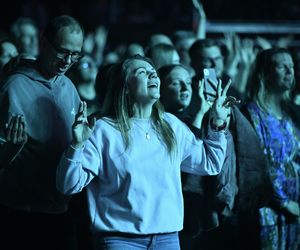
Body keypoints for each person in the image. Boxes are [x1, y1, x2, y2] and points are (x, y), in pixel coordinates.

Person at [56, 54, 230, 250]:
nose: (153, 76)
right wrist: (77, 145)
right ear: (125, 87)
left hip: (167, 238)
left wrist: (217, 124)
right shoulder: (104, 130)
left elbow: (210, 163)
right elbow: (68, 185)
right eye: (142, 72)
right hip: (120, 240)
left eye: (153, 73)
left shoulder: (171, 125)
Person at [158, 63, 273, 250]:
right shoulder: (161, 123)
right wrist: (204, 114)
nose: (186, 88)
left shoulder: (200, 118)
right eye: (175, 83)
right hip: (178, 218)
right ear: (160, 89)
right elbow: (189, 160)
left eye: (188, 82)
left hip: (210, 215)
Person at [0, 15, 84, 250]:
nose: (68, 60)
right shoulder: (15, 86)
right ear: (44, 43)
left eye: (75, 54)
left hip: (61, 209)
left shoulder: (68, 85)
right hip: (22, 212)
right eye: (63, 51)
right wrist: (10, 149)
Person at [244, 48, 300, 250]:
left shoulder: (292, 111)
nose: (289, 71)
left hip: (296, 205)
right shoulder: (251, 113)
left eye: (291, 66)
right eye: (282, 66)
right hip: (268, 208)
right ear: (265, 73)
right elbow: (258, 163)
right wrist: (283, 203)